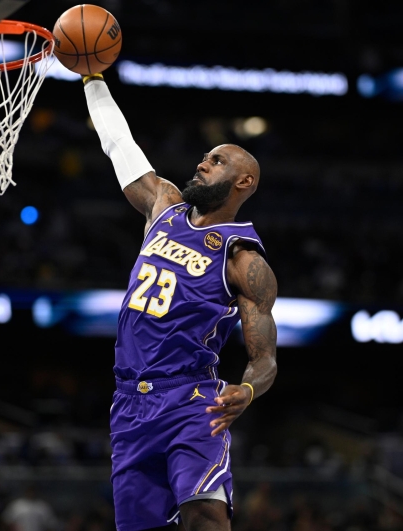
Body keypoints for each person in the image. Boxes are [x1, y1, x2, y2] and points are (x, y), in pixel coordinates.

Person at [82, 73, 279, 531]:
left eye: (217, 160)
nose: (203, 162)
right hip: (129, 401)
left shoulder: (243, 260)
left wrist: (248, 390)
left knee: (206, 517)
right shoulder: (163, 208)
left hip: (190, 399)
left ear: (244, 181)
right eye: (206, 156)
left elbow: (264, 357)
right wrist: (93, 79)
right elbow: (119, 144)